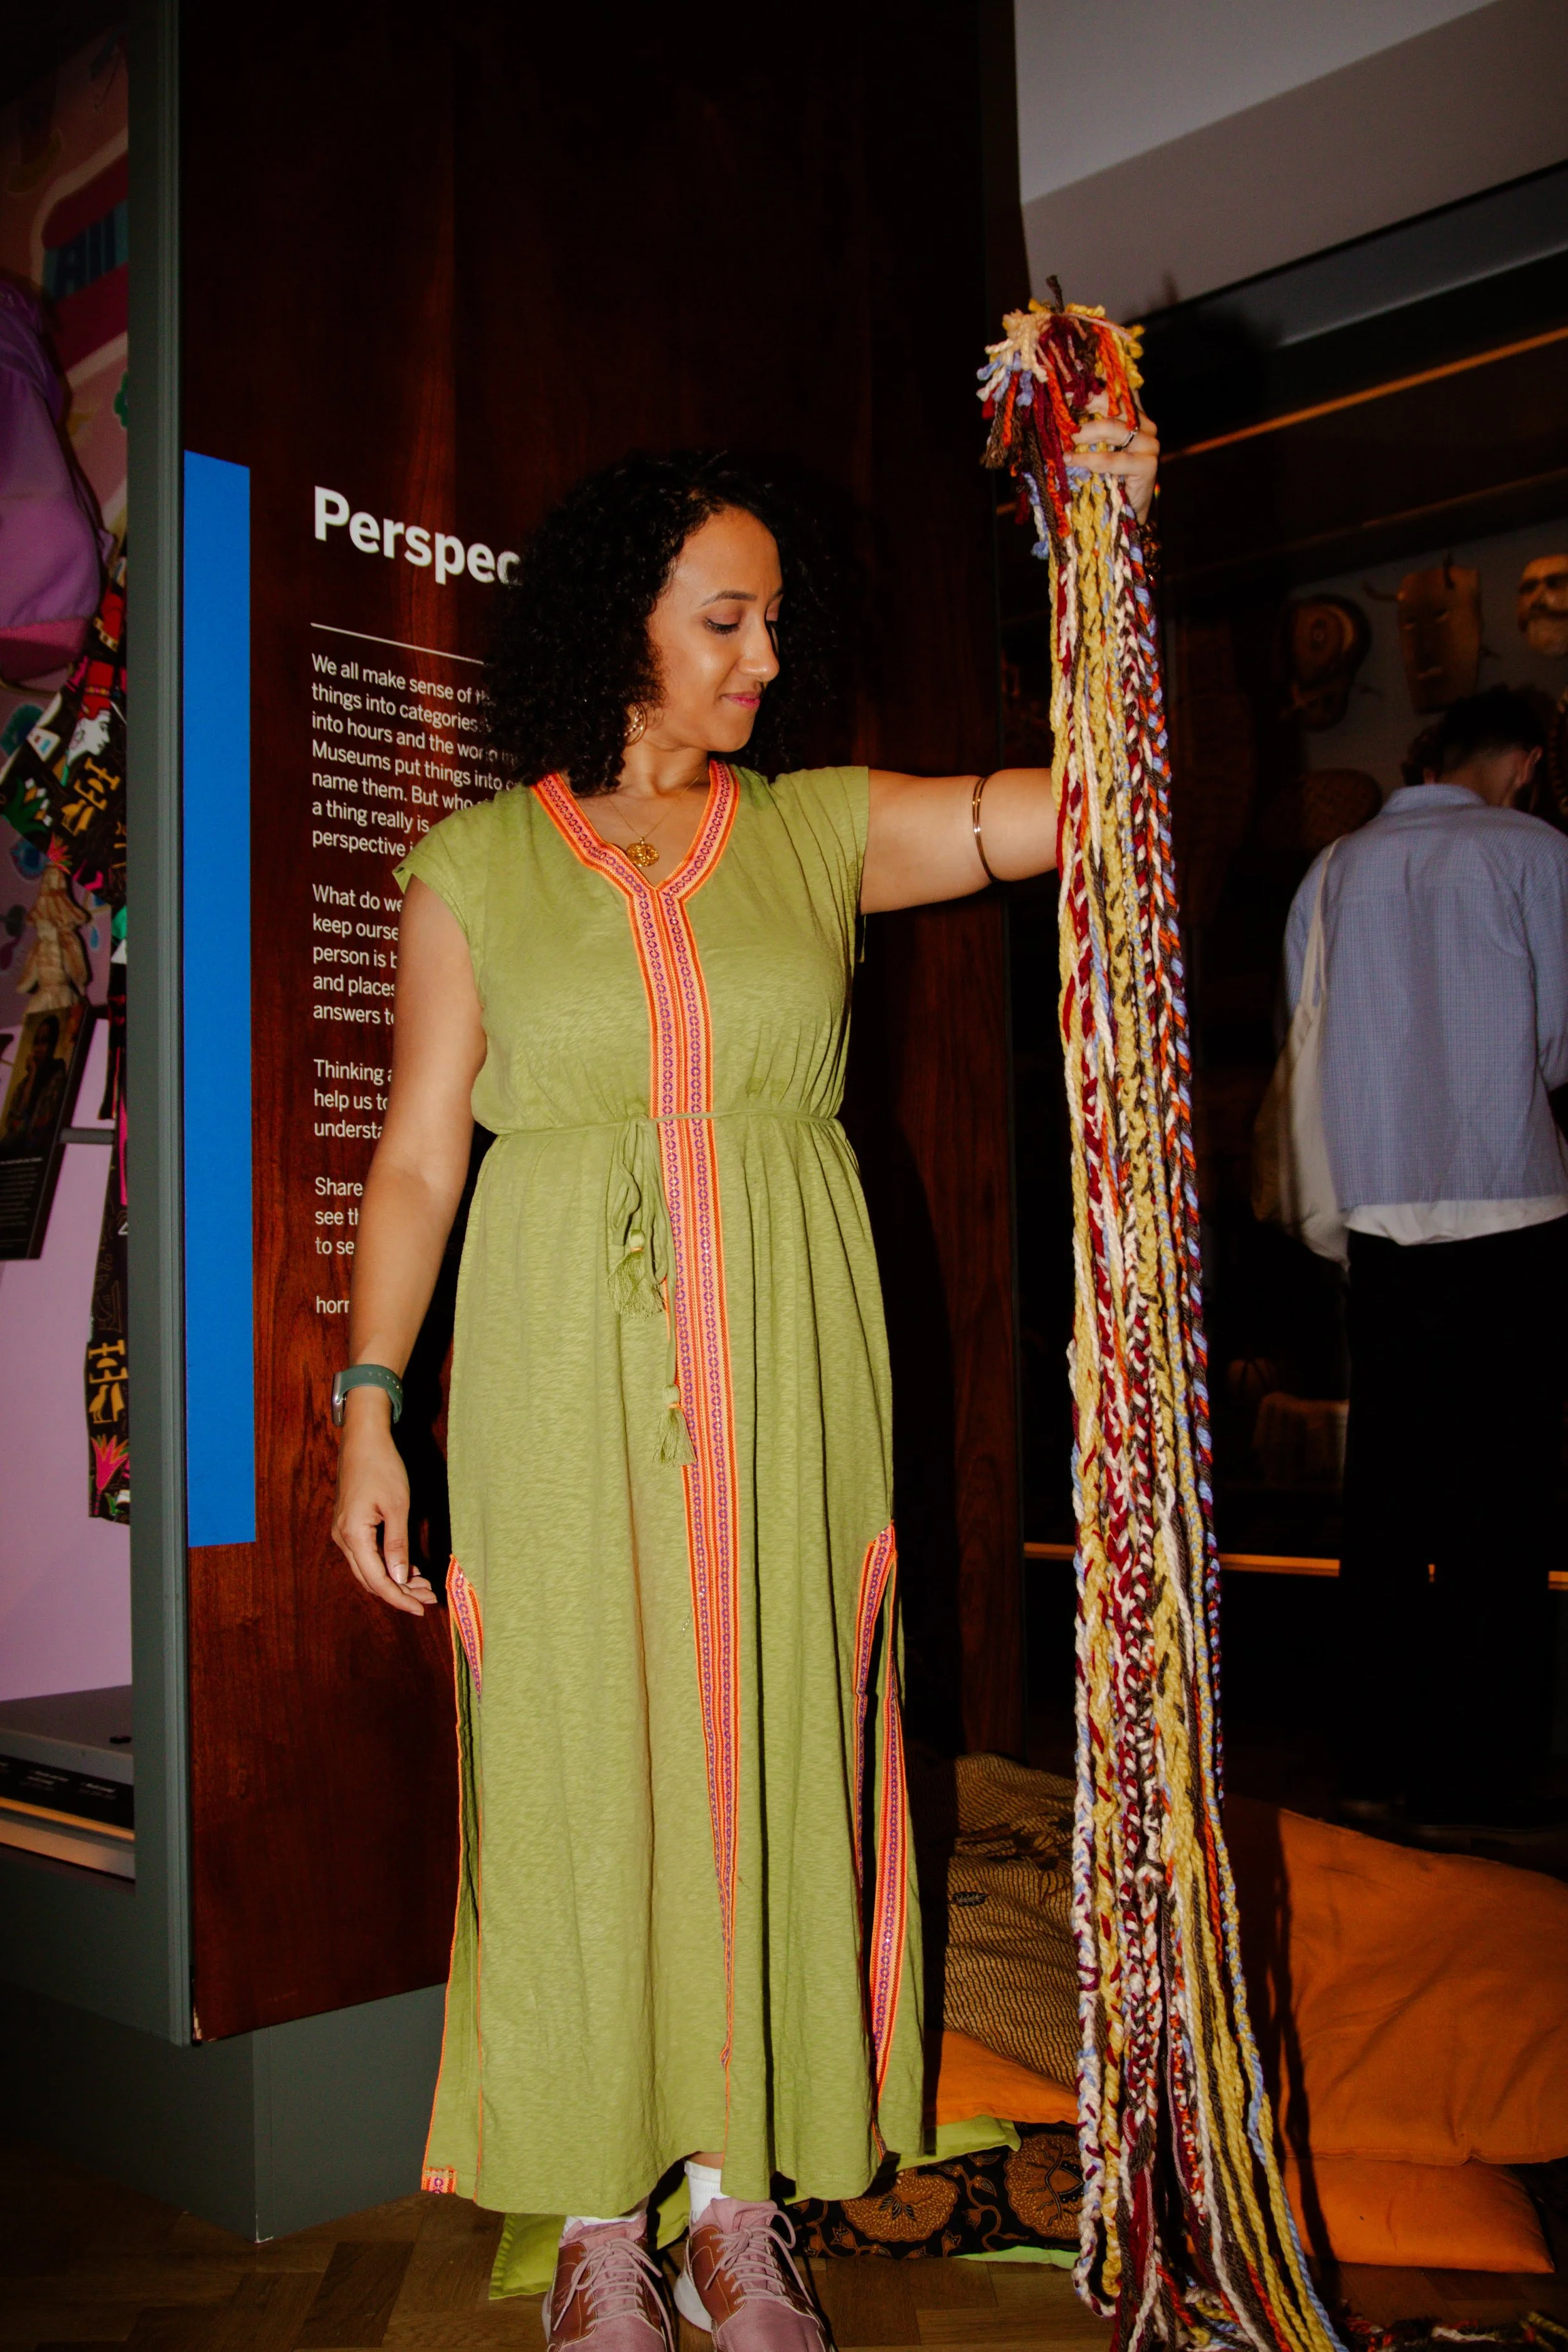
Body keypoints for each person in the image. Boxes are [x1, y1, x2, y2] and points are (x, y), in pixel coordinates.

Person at [331, 423, 1158, 2351]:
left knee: (780, 1728)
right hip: (549, 1367)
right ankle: (595, 2215)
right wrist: (368, 1396)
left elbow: (1090, 804)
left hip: (791, 1352)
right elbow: (421, 1156)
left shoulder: (816, 828)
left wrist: (1105, 537)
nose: (764, 657)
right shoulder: (473, 867)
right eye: (725, 618)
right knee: (572, 1758)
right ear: (619, 621)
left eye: (775, 620)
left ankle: (738, 2201)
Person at [1283, 687, 1568, 1840]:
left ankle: (1371, 1765)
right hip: (1513, 1199)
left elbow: (1305, 1033)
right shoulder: (1538, 853)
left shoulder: (1336, 868)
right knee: (1504, 1502)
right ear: (1525, 761)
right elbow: (1559, 1043)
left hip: (1383, 1213)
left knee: (1389, 1497)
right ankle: (1479, 1781)